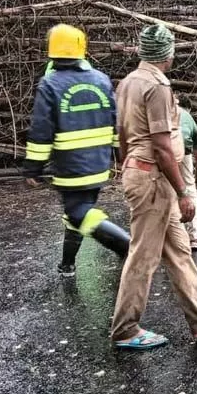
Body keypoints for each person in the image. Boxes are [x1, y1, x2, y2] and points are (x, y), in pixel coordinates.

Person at [110, 24, 197, 350]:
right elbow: (163, 146)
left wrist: (127, 166)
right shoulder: (157, 86)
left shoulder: (128, 82)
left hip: (144, 174)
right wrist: (183, 192)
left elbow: (123, 135)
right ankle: (125, 329)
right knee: (143, 256)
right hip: (155, 179)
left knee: (180, 253)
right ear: (167, 53)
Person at [23, 24, 131, 277]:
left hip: (70, 166)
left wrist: (33, 167)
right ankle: (67, 265)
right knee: (78, 214)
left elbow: (41, 131)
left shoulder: (50, 84)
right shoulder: (101, 79)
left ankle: (126, 245)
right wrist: (119, 155)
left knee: (78, 212)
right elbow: (116, 121)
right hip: (98, 163)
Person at [176, 96, 197, 251]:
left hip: (160, 148)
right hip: (182, 150)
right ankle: (194, 236)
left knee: (165, 190)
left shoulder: (166, 109)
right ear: (188, 108)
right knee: (189, 189)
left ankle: (167, 236)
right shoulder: (189, 119)